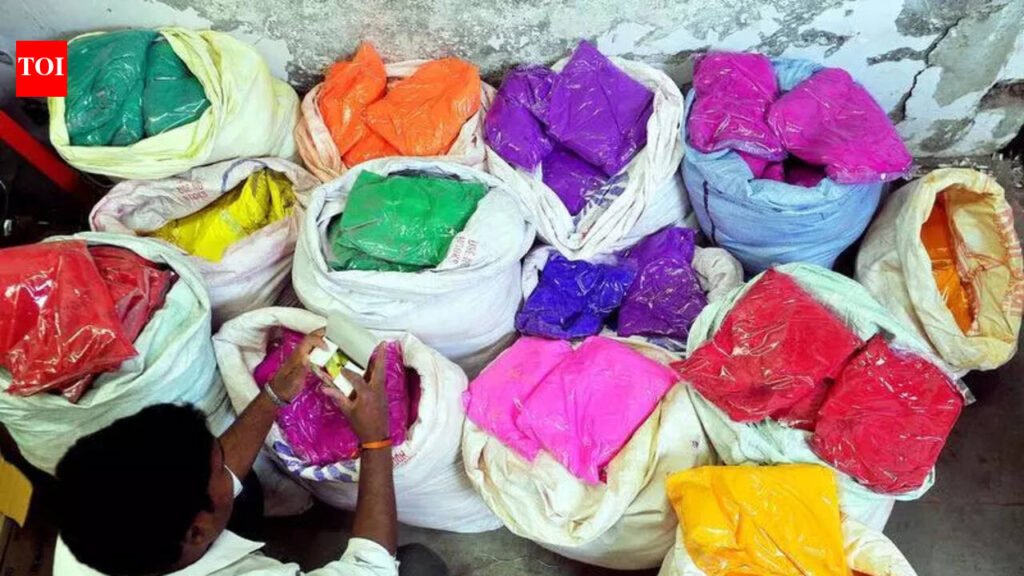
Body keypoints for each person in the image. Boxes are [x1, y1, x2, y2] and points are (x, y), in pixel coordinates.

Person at [52, 330, 449, 576]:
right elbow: (370, 567)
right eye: (218, 469)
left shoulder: (91, 518)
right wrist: (375, 439)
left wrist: (276, 392)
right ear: (196, 532)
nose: (227, 465)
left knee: (247, 486)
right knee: (419, 565)